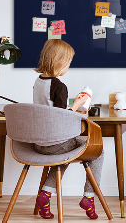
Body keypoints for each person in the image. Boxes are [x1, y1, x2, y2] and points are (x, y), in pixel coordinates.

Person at [33, 39, 103, 220]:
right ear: (59, 62)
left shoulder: (38, 82)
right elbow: (61, 118)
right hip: (56, 143)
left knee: (63, 154)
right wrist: (78, 105)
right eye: (68, 62)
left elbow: (50, 111)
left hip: (39, 143)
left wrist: (72, 106)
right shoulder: (59, 86)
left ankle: (45, 195)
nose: (68, 66)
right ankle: (89, 197)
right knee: (98, 151)